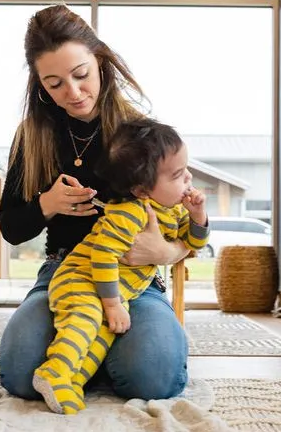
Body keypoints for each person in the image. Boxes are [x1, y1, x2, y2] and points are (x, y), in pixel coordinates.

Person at [0, 4, 193, 403]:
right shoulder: (33, 135)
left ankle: (93, 352)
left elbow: (189, 216)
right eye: (54, 84)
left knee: (154, 380)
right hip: (63, 274)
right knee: (18, 375)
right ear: (39, 84)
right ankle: (96, 350)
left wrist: (167, 250)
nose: (73, 93)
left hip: (132, 282)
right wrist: (47, 203)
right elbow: (11, 227)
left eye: (81, 74)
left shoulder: (139, 131)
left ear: (101, 61)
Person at [34, 119, 209, 414]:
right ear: (141, 190)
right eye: (178, 175)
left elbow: (194, 242)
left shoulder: (176, 209)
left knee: (101, 337)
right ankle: (54, 372)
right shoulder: (128, 212)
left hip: (115, 293)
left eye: (186, 170)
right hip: (81, 280)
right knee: (85, 320)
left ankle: (72, 382)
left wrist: (199, 216)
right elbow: (102, 256)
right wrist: (113, 304)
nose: (188, 178)